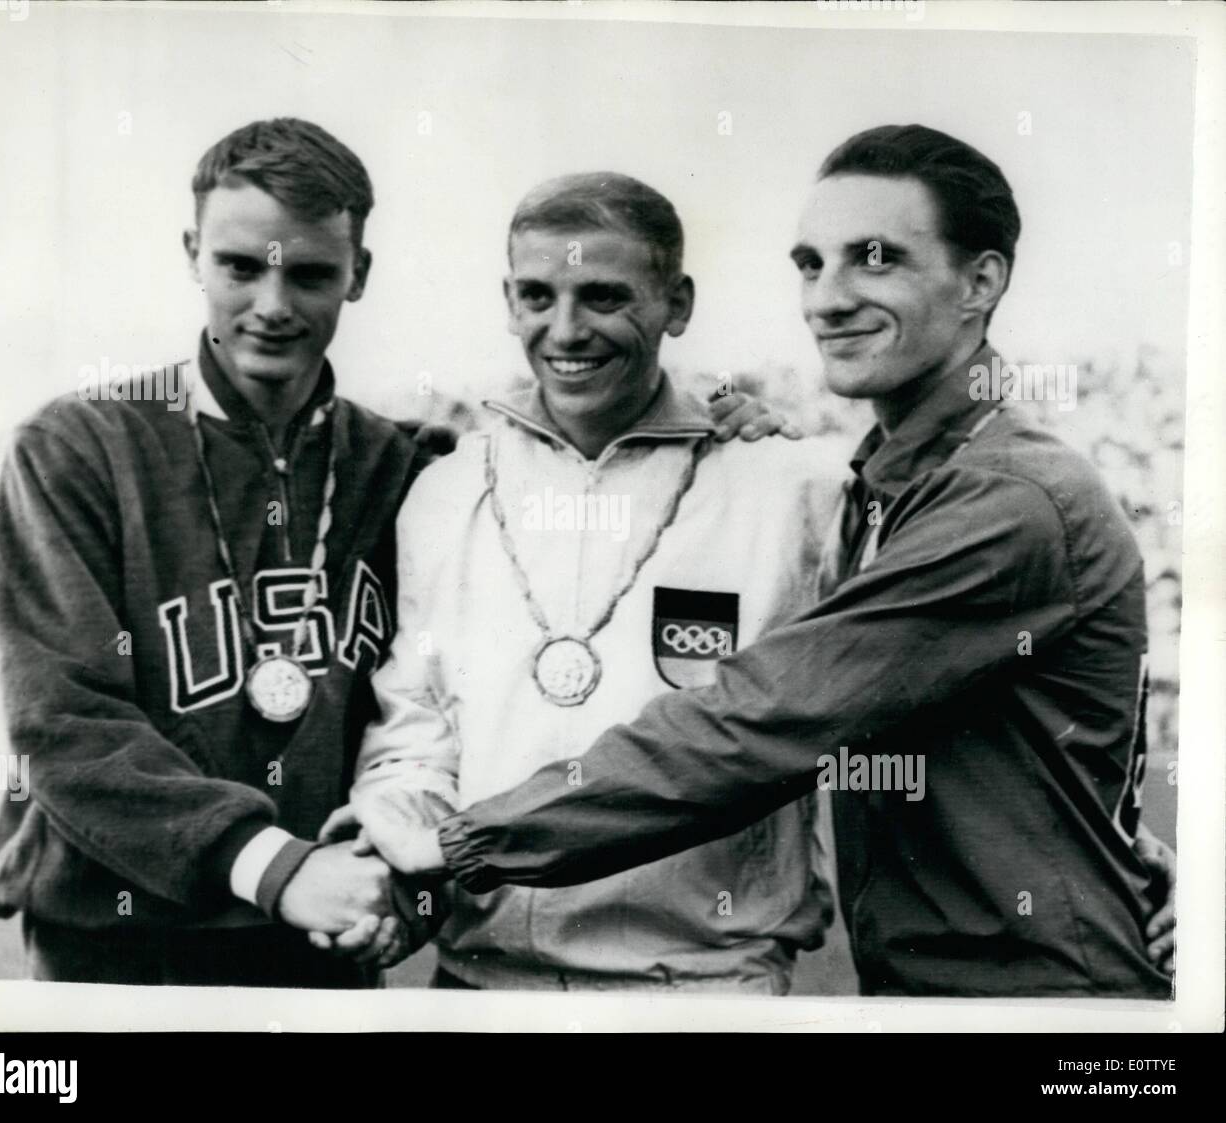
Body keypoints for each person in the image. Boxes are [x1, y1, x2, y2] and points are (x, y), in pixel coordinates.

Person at [361, 125, 1178, 998]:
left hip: (1035, 1007)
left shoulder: (1003, 496)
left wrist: (461, 841)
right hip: (933, 988)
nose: (827, 298)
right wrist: (1124, 842)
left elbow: (759, 723)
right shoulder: (880, 481)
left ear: (981, 280)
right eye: (810, 264)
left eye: (874, 259)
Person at [0, 118, 783, 987]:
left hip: (328, 928)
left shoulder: (405, 467)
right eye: (241, 266)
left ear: (358, 274)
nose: (274, 305)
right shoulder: (77, 448)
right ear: (193, 254)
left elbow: (437, 708)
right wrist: (272, 865)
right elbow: (63, 724)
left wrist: (716, 422)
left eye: (312, 273)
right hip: (120, 932)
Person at [323, 173, 844, 993]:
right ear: (508, 300)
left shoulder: (790, 491)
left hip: (698, 989)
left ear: (677, 304)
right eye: (537, 295)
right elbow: (416, 725)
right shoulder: (448, 490)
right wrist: (400, 864)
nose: (565, 330)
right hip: (478, 988)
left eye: (603, 297)